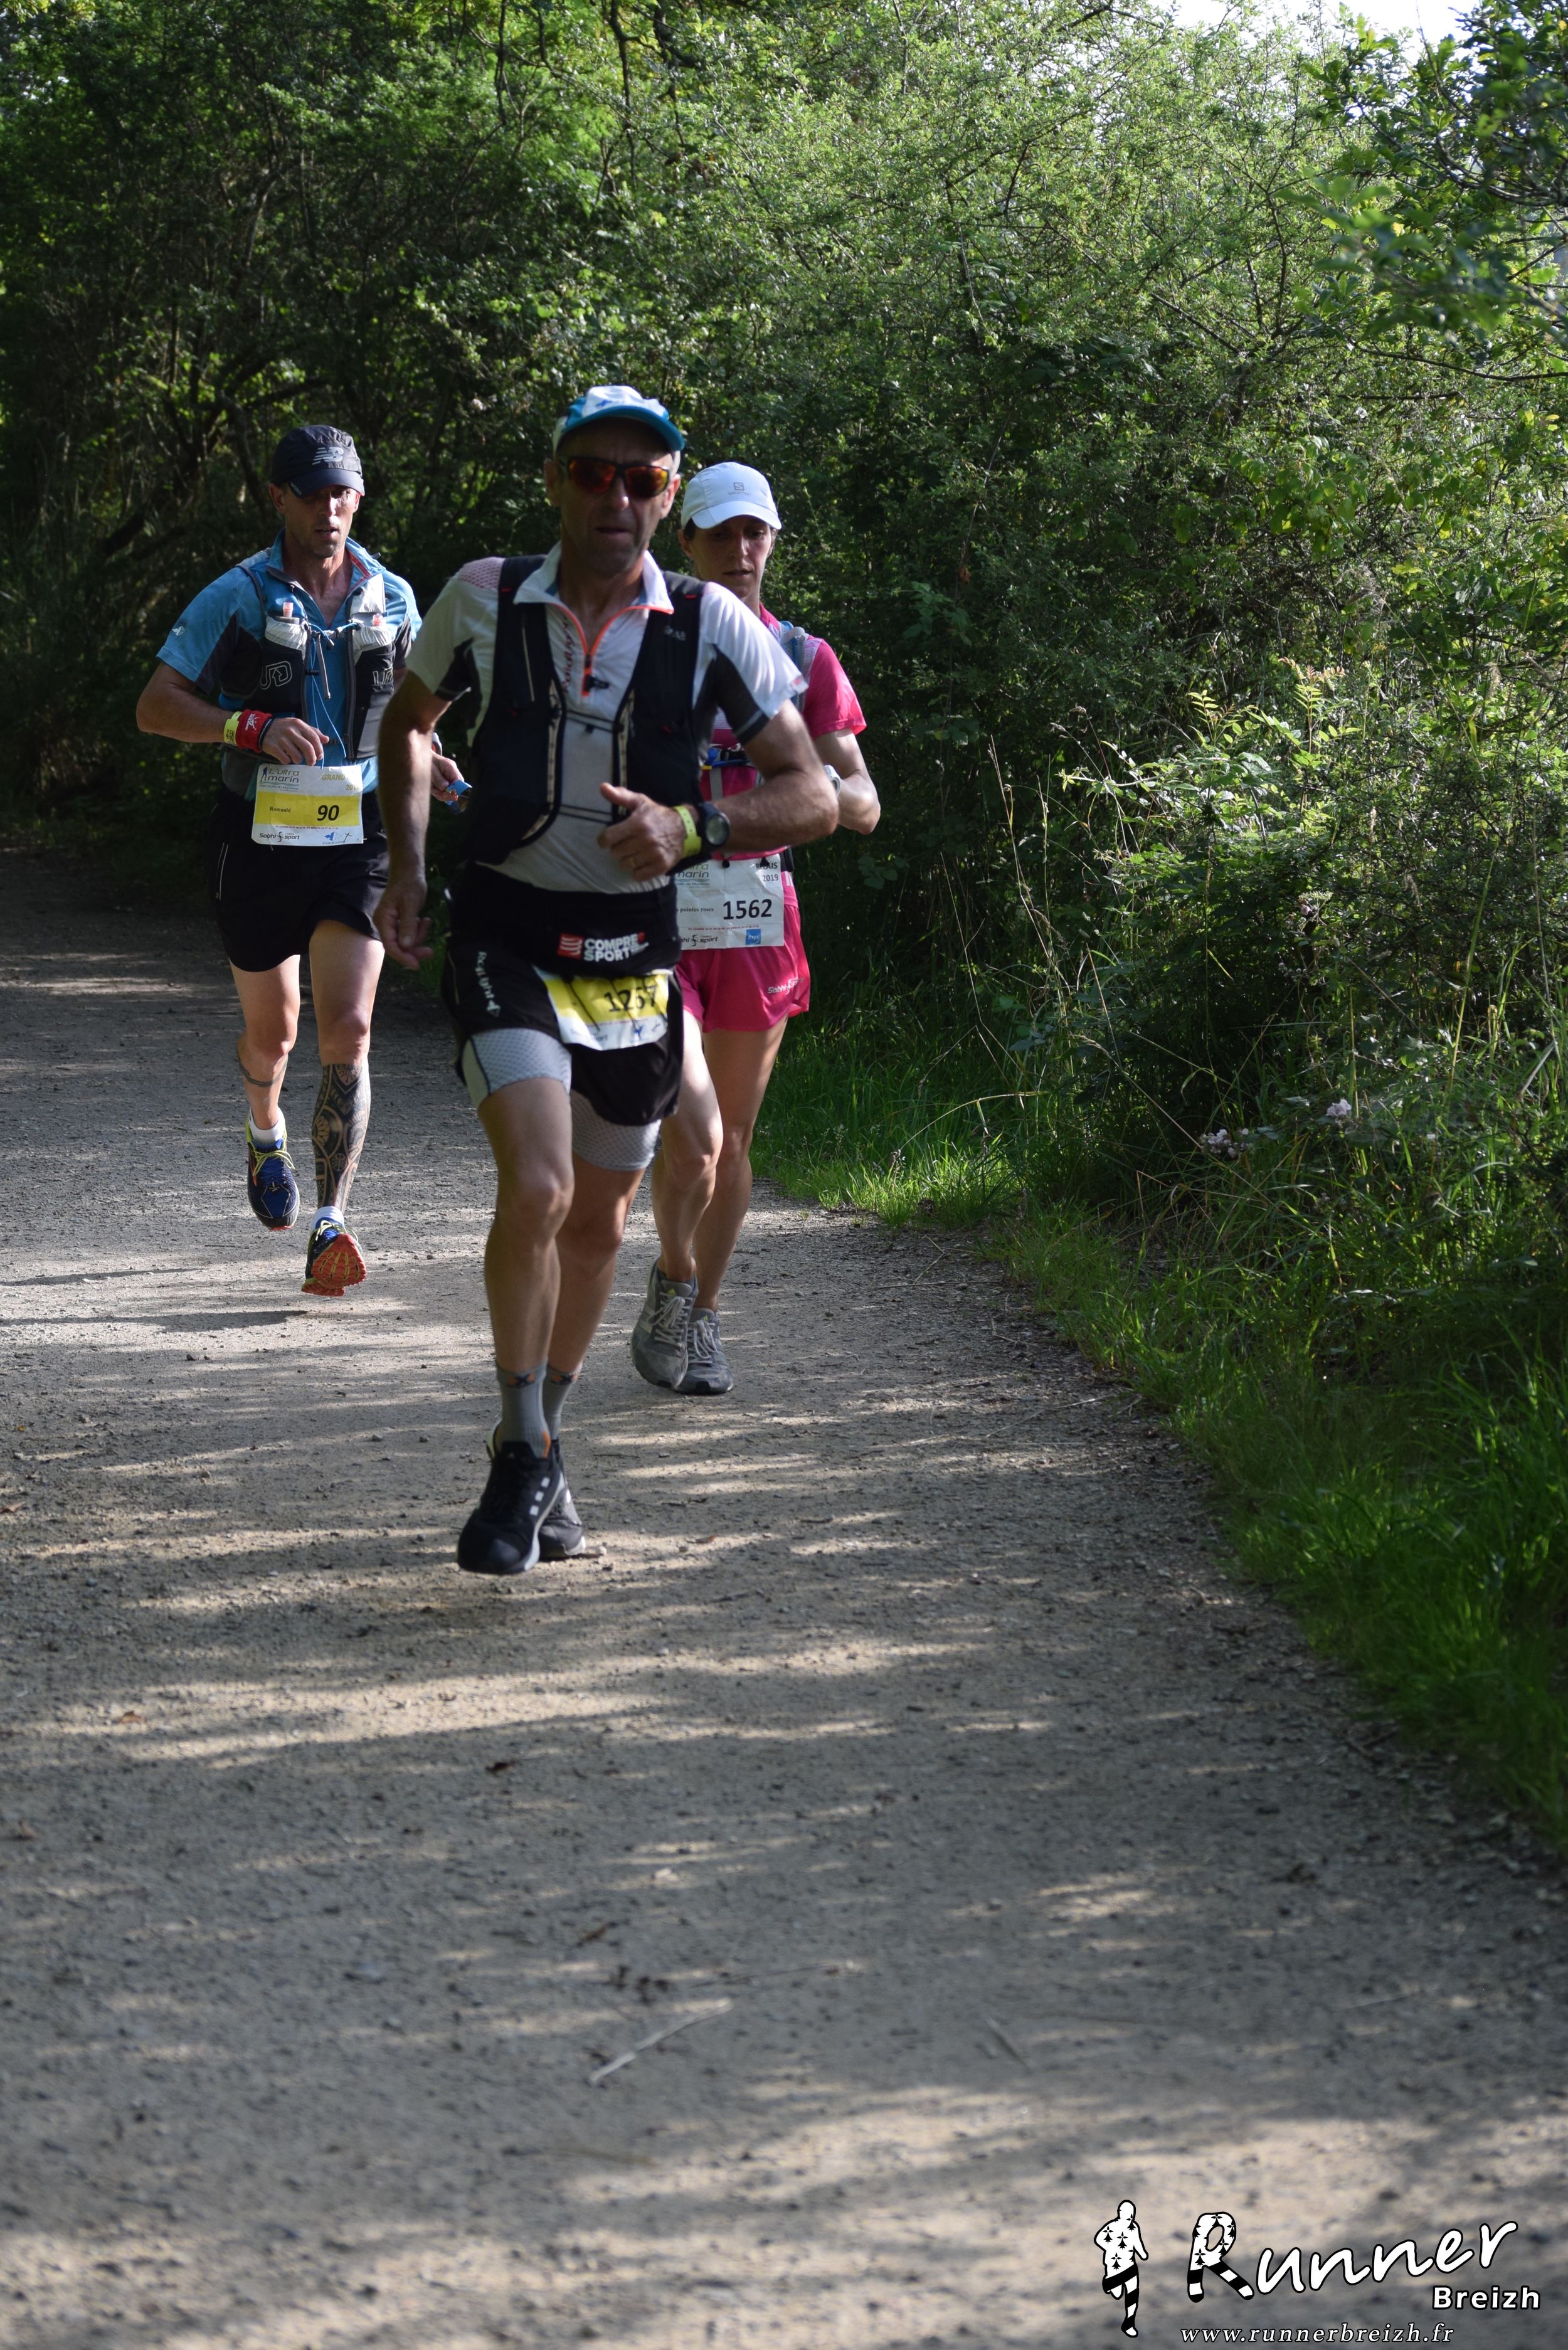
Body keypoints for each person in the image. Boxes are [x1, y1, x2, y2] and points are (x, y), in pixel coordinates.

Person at [373, 386, 839, 1577]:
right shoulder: (484, 596)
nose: (616, 497)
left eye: (642, 478)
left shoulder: (713, 626)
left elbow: (815, 794)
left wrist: (696, 827)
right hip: (509, 934)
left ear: (668, 493)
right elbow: (409, 724)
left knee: (597, 1223)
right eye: (593, 472)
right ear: (555, 480)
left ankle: (542, 1439)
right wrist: (408, 868)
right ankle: (522, 1448)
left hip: (636, 954)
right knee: (536, 1185)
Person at [136, 425, 460, 1295]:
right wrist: (247, 726)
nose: (330, 508)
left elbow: (414, 716)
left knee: (348, 1028)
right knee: (275, 1033)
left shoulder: (393, 597)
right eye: (313, 493)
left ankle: (331, 1222)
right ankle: (264, 1128)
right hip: (258, 838)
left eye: (343, 492)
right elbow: (155, 706)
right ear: (278, 496)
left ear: (360, 497)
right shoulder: (238, 596)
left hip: (358, 835)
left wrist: (434, 759)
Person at [628, 461, 879, 1398]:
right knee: (690, 1131)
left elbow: (864, 802)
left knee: (731, 1139)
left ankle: (699, 1310)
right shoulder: (648, 643)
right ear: (685, 541)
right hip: (660, 913)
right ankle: (673, 1277)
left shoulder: (804, 657)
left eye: (755, 532)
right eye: (721, 533)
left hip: (757, 918)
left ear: (772, 541)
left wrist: (817, 786)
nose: (741, 550)